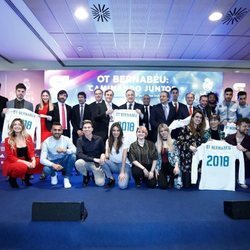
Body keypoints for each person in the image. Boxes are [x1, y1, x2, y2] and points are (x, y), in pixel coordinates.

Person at [2, 118, 43, 188]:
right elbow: (10, 156)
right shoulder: (8, 140)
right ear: (12, 127)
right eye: (15, 124)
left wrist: (33, 160)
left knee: (39, 162)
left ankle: (26, 178)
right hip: (14, 161)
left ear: (22, 127)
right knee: (21, 167)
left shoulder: (28, 137)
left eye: (19, 124)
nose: (17, 126)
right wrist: (26, 163)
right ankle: (12, 179)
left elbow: (32, 151)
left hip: (27, 159)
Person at [40, 122, 76, 188]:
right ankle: (53, 175)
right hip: (53, 162)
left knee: (73, 156)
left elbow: (75, 150)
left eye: (59, 130)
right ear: (51, 130)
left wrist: (65, 150)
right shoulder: (46, 142)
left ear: (62, 131)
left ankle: (66, 178)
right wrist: (53, 165)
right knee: (46, 169)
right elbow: (42, 159)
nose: (57, 132)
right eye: (55, 130)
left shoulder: (66, 139)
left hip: (63, 161)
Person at [176, 110, 206, 188]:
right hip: (187, 161)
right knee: (187, 186)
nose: (198, 119)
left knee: (195, 186)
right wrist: (189, 147)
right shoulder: (185, 128)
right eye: (197, 117)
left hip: (198, 161)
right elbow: (179, 143)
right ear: (192, 118)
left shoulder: (202, 131)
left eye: (200, 118)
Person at [75, 120, 106, 187]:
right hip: (86, 163)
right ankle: (86, 175)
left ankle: (96, 174)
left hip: (96, 164)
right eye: (85, 127)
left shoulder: (99, 139)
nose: (87, 129)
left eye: (89, 127)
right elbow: (79, 154)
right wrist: (94, 159)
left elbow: (103, 151)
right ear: (82, 130)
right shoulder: (79, 140)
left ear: (92, 129)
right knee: (78, 163)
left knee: (100, 183)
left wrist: (103, 155)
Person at [101, 122, 131, 189]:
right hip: (113, 164)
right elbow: (107, 154)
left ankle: (127, 175)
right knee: (102, 161)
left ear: (120, 131)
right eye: (114, 130)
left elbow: (124, 156)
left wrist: (122, 172)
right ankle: (111, 179)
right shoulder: (108, 140)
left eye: (118, 130)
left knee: (122, 186)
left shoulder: (125, 140)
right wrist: (102, 155)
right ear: (111, 131)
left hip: (124, 165)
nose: (116, 132)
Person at [225, 118, 250, 186]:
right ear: (238, 127)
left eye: (248, 126)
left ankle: (241, 179)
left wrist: (245, 150)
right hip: (230, 167)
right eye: (244, 126)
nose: (247, 128)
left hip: (245, 168)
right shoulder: (228, 138)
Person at [155, 124, 180, 189]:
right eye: (161, 131)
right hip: (161, 166)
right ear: (159, 133)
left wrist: (176, 167)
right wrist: (156, 169)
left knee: (174, 173)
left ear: (168, 131)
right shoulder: (157, 144)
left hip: (171, 165)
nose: (163, 132)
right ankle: (166, 178)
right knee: (163, 186)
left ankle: (172, 178)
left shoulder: (174, 142)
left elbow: (177, 155)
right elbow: (156, 158)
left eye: (165, 130)